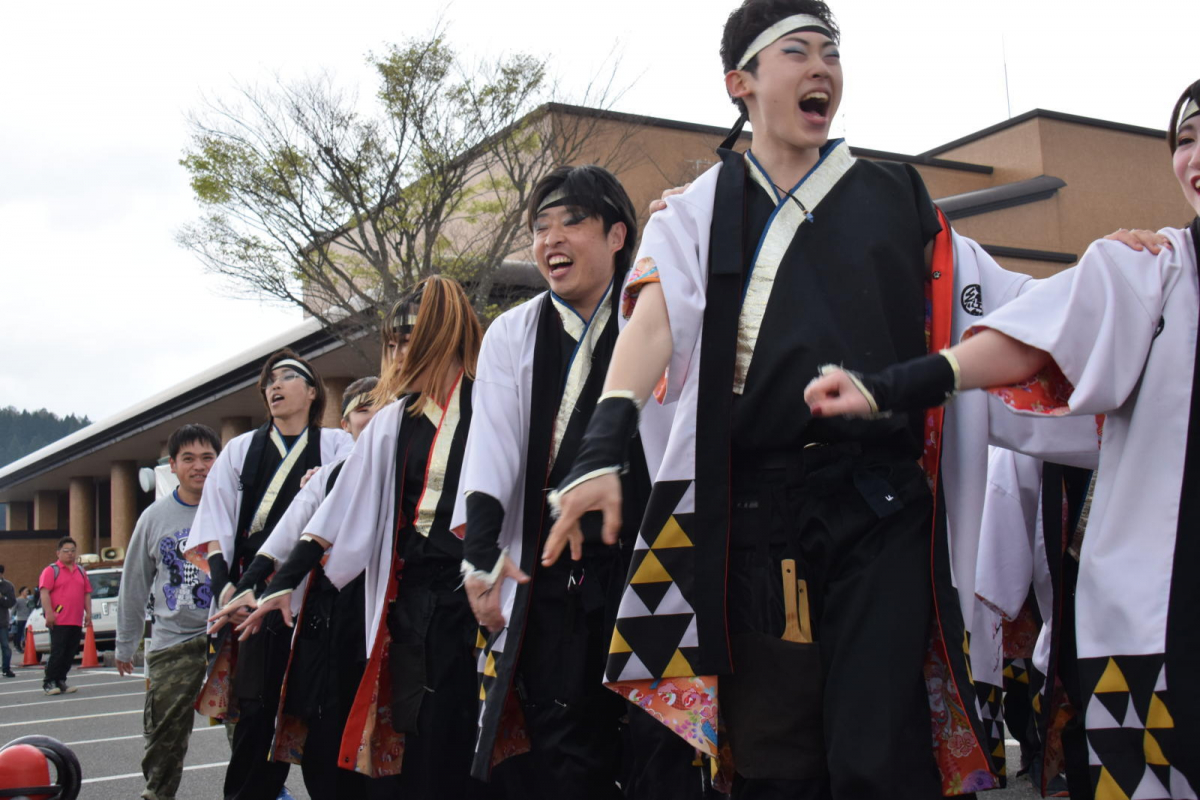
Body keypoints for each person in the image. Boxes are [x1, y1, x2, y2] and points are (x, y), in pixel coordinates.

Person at [804, 79, 1200, 800]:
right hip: (1167, 603)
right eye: (1185, 140)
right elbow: (1027, 341)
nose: (1195, 156)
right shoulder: (1152, 269)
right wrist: (893, 385)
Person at [454, 164, 666, 797]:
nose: (552, 240)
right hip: (556, 572)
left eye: (573, 221)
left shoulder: (657, 312)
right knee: (567, 743)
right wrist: (480, 557)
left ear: (619, 235)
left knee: (663, 740)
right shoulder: (511, 333)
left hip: (652, 559)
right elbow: (490, 447)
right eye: (541, 227)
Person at [260, 278, 487, 796]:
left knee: (481, 742)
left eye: (409, 337)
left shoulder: (495, 401)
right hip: (417, 605)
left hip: (484, 594)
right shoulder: (392, 422)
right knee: (422, 741)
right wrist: (279, 580)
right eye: (394, 341)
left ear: (444, 332)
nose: (399, 351)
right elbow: (334, 513)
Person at [185, 349, 353, 800]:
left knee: (319, 713)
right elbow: (216, 524)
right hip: (252, 597)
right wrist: (227, 588)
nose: (273, 386)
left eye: (287, 377)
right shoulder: (241, 448)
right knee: (256, 718)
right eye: (268, 381)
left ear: (314, 391)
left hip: (316, 598)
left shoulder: (339, 445)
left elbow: (343, 515)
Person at [209, 376, 382, 798]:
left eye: (383, 406)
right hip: (325, 618)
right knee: (319, 730)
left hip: (388, 615)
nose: (374, 416)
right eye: (363, 409)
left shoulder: (404, 468)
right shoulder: (329, 476)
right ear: (345, 423)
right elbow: (286, 541)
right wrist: (247, 586)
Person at [114, 423, 221, 800]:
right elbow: (134, 583)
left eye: (208, 457)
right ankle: (157, 795)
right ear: (172, 465)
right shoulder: (153, 517)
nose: (199, 466)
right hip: (173, 642)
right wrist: (126, 644)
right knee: (164, 737)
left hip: (229, 640)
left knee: (249, 728)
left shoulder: (233, 509)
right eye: (188, 458)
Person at [38, 538, 92, 696]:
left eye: (73, 551)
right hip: (59, 618)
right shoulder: (51, 570)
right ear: (58, 553)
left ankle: (61, 679)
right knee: (58, 651)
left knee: (70, 651)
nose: (70, 554)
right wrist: (49, 614)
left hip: (75, 619)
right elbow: (44, 593)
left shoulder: (81, 571)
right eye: (66, 551)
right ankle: (49, 681)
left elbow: (86, 593)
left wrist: (88, 613)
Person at [0, 566, 15, 678]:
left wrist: (1, 598)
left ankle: (6, 669)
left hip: (2, 622)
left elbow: (11, 602)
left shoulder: (8, 585)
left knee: (5, 646)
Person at [12, 588, 32, 654]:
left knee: (27, 633)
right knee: (19, 633)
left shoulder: (29, 600)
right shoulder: (17, 600)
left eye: (27, 591)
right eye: (26, 591)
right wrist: (12, 618)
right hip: (20, 619)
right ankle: (18, 646)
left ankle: (26, 645)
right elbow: (13, 609)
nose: (27, 592)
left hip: (28, 618)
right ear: (21, 592)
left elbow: (31, 608)